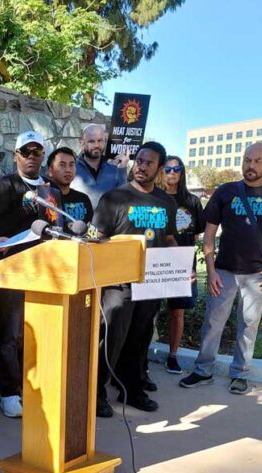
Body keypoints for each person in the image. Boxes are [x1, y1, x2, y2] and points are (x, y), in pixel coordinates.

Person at [180, 143, 262, 394]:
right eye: (247, 160)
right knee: (213, 322)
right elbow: (209, 233)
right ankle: (203, 370)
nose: (251, 165)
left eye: (258, 161)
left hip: (259, 273)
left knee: (248, 325)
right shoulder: (226, 191)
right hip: (224, 271)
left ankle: (240, 373)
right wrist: (212, 270)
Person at [93, 141, 177, 418]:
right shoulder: (114, 198)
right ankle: (97, 393)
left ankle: (131, 388)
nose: (141, 166)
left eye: (148, 162)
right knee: (112, 338)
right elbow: (98, 240)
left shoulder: (167, 202)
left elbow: (168, 239)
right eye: (138, 161)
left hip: (152, 281)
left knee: (141, 337)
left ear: (160, 168)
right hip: (118, 283)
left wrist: (179, 264)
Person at [0, 130, 62, 418]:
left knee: (38, 333)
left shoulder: (51, 190)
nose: (31, 157)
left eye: (36, 152)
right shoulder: (3, 186)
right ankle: (10, 392)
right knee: (11, 334)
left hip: (46, 272)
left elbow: (59, 225)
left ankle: (34, 386)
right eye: (25, 152)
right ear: (16, 155)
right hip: (14, 271)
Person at [162, 156, 204, 374]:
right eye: (167, 169)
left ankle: (173, 356)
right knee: (146, 313)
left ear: (182, 172)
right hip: (155, 263)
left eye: (176, 169)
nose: (172, 173)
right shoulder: (155, 198)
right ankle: (139, 358)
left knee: (177, 312)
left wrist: (188, 266)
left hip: (184, 264)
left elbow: (195, 235)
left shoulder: (192, 201)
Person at [71, 124, 128, 209]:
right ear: (81, 143)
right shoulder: (71, 168)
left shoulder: (115, 170)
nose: (96, 145)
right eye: (91, 141)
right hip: (77, 221)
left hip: (107, 221)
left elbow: (123, 200)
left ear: (105, 141)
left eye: (100, 140)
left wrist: (122, 169)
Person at [46, 147, 94, 227]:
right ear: (50, 171)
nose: (68, 170)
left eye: (71, 165)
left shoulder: (83, 198)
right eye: (62, 165)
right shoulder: (45, 199)